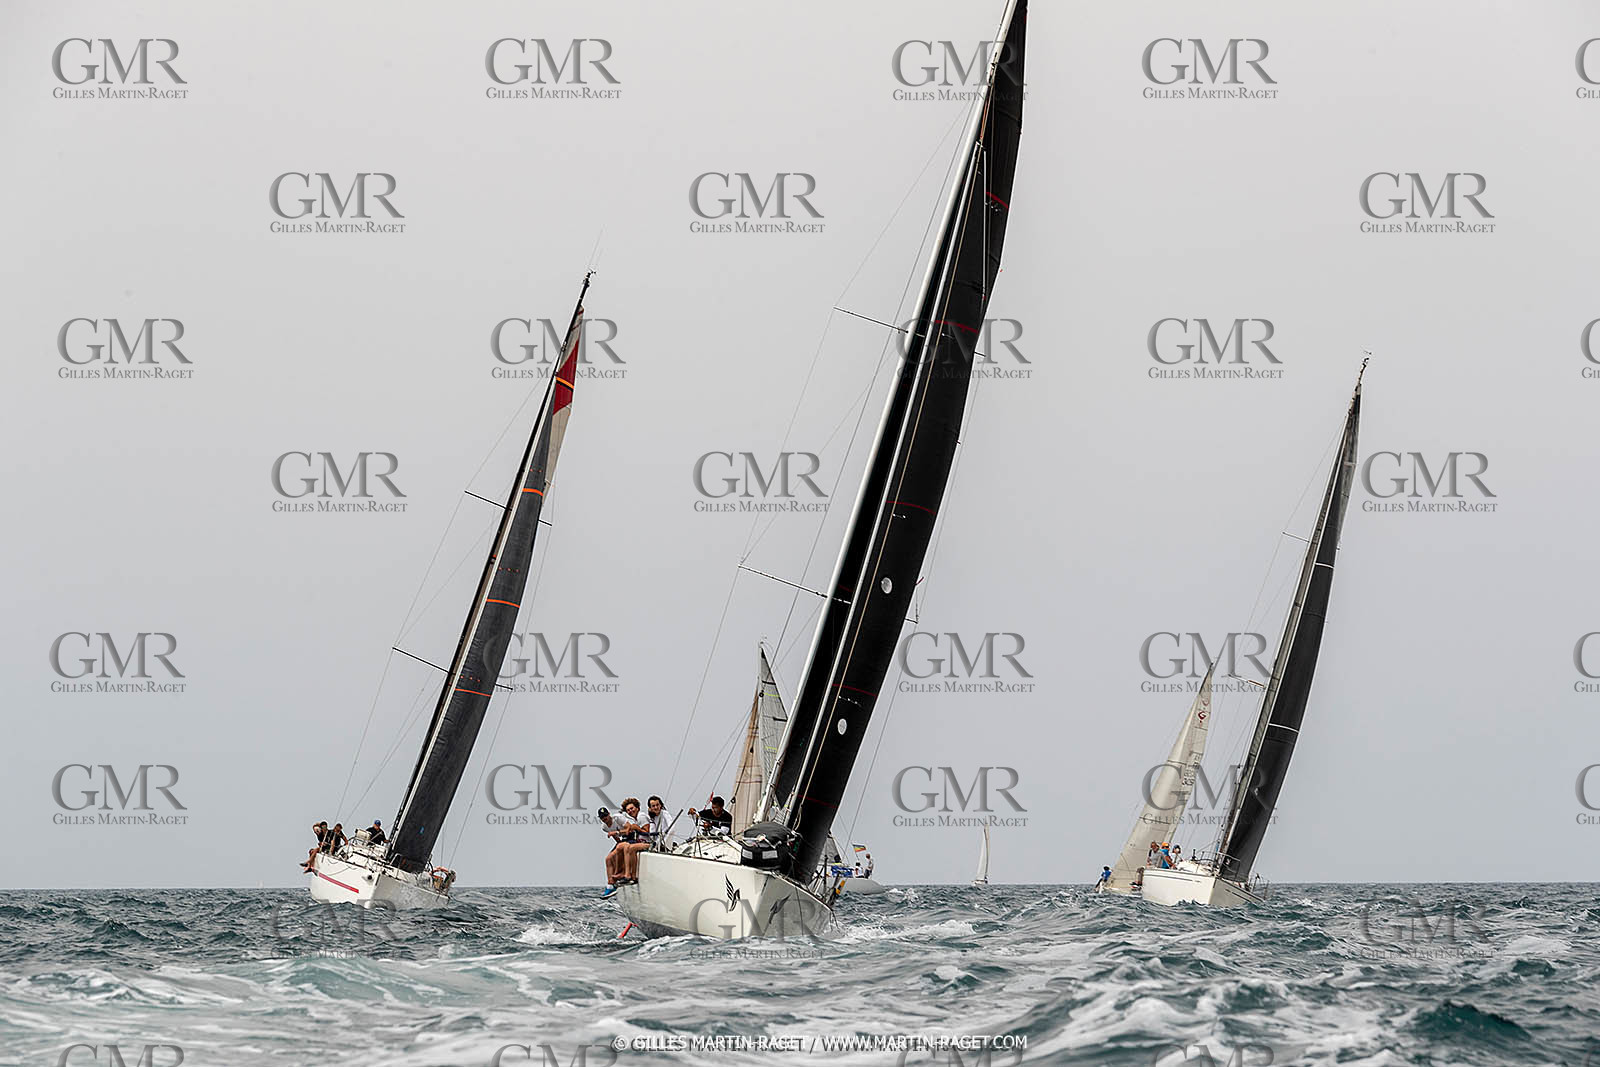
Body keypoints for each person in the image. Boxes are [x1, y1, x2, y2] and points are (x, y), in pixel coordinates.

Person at [616, 798, 654, 882]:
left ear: (637, 808)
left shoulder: (641, 816)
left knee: (629, 848)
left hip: (649, 843)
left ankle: (628, 875)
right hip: (641, 842)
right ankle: (628, 875)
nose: (630, 811)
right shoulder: (635, 818)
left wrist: (637, 828)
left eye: (632, 808)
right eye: (628, 810)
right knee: (621, 847)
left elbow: (647, 832)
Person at [597, 807, 627, 896]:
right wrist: (619, 843)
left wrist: (617, 832)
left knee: (618, 852)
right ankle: (610, 885)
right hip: (622, 841)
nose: (604, 819)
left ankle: (617, 876)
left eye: (605, 816)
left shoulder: (618, 818)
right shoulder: (604, 827)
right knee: (608, 859)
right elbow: (615, 838)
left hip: (631, 837)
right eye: (602, 817)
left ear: (609, 814)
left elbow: (630, 829)